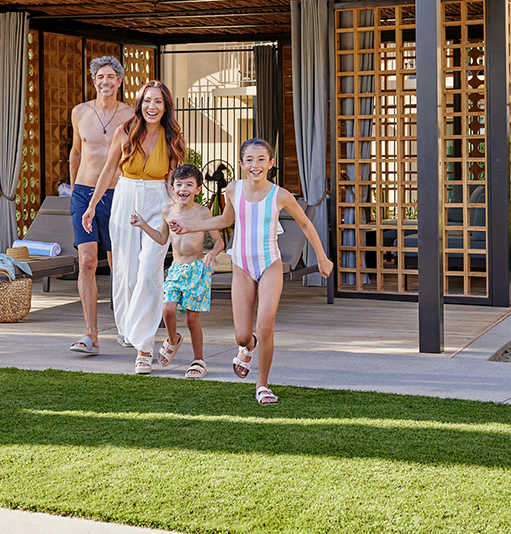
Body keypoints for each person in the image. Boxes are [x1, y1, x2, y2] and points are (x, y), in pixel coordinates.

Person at [170, 138, 333, 404]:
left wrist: (323, 258)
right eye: (249, 160)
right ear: (241, 164)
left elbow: (305, 224)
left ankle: (263, 384)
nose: (255, 165)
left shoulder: (280, 195)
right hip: (242, 267)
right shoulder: (233, 189)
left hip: (270, 264)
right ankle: (248, 345)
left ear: (270, 164)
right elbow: (225, 220)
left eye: (261, 159)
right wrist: (190, 227)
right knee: (242, 335)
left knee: (265, 325)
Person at [83, 80, 185, 374]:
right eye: (147, 101)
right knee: (126, 272)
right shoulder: (125, 132)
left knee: (149, 271)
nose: (152, 107)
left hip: (158, 201)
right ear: (139, 104)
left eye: (158, 102)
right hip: (126, 198)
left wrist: (181, 211)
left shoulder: (172, 137)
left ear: (166, 107)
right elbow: (108, 171)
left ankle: (144, 347)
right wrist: (92, 206)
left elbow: (173, 181)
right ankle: (136, 330)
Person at [129, 163, 224, 379]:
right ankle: (173, 340)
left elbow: (219, 242)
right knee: (168, 309)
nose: (184, 188)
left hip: (197, 270)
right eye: (179, 184)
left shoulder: (203, 212)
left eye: (189, 184)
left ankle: (198, 360)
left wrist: (211, 254)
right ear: (172, 188)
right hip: (176, 270)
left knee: (192, 320)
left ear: (198, 189)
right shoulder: (167, 211)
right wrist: (143, 224)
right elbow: (163, 239)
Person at [68, 56, 133, 356]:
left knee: (120, 265)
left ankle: (126, 329)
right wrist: (73, 192)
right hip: (83, 193)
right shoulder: (80, 112)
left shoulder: (132, 115)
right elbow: (76, 153)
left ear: (119, 81)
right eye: (99, 77)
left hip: (118, 195)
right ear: (93, 80)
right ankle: (91, 335)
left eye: (111, 77)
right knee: (88, 262)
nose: (105, 82)